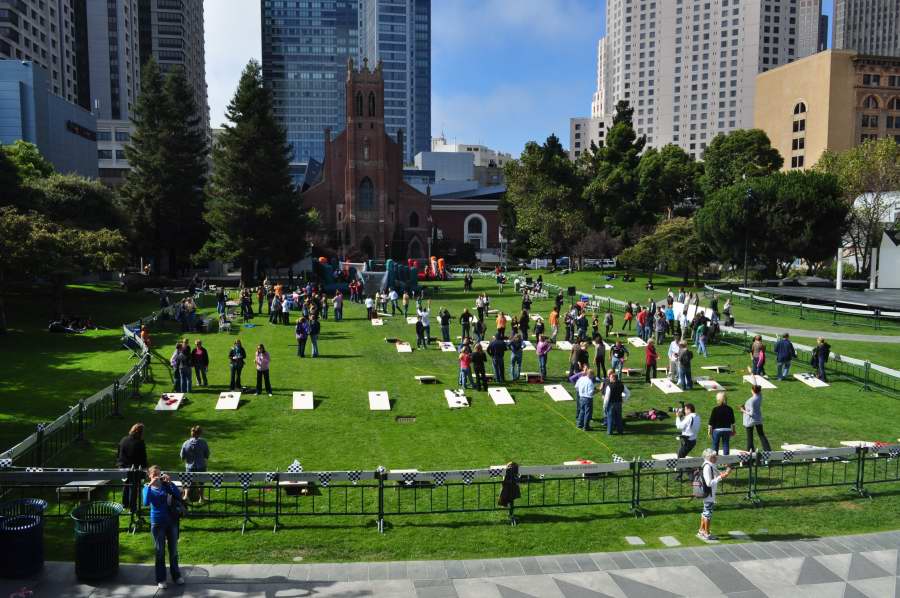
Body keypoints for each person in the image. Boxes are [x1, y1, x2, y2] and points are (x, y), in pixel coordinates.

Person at [142, 465, 184, 589]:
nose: (156, 476)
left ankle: (176, 576)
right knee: (160, 551)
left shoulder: (166, 485)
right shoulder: (146, 488)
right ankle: (161, 579)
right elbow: (145, 502)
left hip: (171, 521)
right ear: (149, 475)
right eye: (154, 474)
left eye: (158, 474)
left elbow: (178, 495)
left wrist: (170, 483)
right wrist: (150, 485)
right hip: (158, 523)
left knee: (173, 550)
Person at [697, 448, 732, 541]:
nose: (716, 457)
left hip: (709, 493)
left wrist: (724, 473)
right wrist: (720, 477)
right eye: (713, 456)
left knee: (705, 512)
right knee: (708, 513)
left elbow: (717, 474)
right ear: (709, 457)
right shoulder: (708, 467)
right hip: (709, 494)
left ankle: (701, 531)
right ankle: (706, 533)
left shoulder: (709, 465)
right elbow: (709, 483)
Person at [117, 423, 148, 511]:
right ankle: (133, 507)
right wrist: (145, 467)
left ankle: (125, 504)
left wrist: (120, 464)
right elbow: (143, 457)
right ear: (140, 432)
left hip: (122, 466)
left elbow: (118, 453)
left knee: (126, 485)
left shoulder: (123, 440)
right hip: (134, 468)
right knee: (133, 488)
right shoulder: (139, 443)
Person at [179, 425, 209, 503]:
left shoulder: (186, 443)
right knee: (201, 482)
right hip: (201, 465)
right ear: (200, 433)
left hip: (189, 466)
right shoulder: (203, 442)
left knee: (187, 482)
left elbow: (182, 456)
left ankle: (186, 496)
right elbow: (207, 454)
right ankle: (201, 498)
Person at [741, 384, 771, 452]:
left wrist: (743, 410)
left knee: (750, 438)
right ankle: (768, 450)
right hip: (758, 419)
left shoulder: (751, 400)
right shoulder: (759, 396)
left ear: (752, 391)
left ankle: (750, 453)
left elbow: (751, 413)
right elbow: (756, 387)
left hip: (750, 420)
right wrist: (753, 377)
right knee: (761, 435)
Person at [602, 371, 630, 435]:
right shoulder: (621, 385)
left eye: (611, 377)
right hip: (619, 403)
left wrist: (604, 406)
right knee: (619, 417)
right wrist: (624, 400)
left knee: (610, 417)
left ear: (613, 378)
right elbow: (628, 393)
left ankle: (610, 431)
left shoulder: (609, 386)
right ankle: (620, 430)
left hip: (611, 404)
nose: (609, 379)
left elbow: (606, 398)